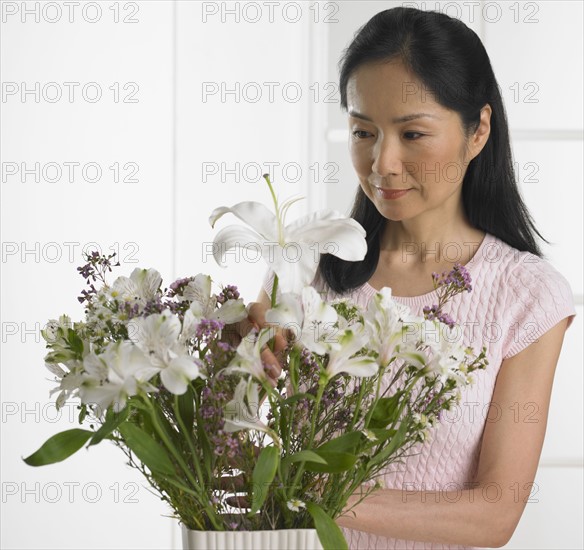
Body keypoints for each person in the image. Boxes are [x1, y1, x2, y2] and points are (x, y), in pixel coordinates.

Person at [245, 7, 577, 549]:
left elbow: (492, 518)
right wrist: (229, 361)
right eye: (362, 132)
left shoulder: (526, 297)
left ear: (479, 130)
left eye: (413, 133)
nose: (383, 163)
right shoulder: (308, 261)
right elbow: (230, 442)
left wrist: (318, 487)